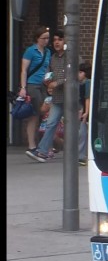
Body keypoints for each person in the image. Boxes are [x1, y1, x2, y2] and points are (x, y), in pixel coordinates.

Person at [29, 30, 67, 162]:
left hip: (70, 98)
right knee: (51, 124)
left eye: (60, 39)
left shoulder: (72, 57)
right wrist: (48, 81)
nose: (57, 42)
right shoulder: (53, 58)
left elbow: (74, 75)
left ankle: (79, 153)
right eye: (55, 40)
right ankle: (42, 151)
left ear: (65, 41)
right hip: (57, 97)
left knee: (76, 126)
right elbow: (50, 74)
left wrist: (58, 83)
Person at [18, 26, 53, 156]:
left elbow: (47, 69)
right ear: (37, 38)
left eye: (47, 38)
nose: (46, 41)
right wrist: (23, 87)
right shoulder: (30, 51)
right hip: (32, 85)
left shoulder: (48, 52)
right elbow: (24, 70)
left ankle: (43, 145)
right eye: (43, 38)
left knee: (44, 114)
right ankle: (32, 145)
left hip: (43, 85)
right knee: (35, 114)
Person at [78, 62, 92, 165]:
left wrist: (86, 112)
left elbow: (87, 98)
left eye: (80, 72)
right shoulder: (81, 84)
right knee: (82, 133)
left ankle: (82, 156)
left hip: (86, 112)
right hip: (83, 110)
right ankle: (81, 156)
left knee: (82, 133)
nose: (78, 74)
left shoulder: (87, 83)